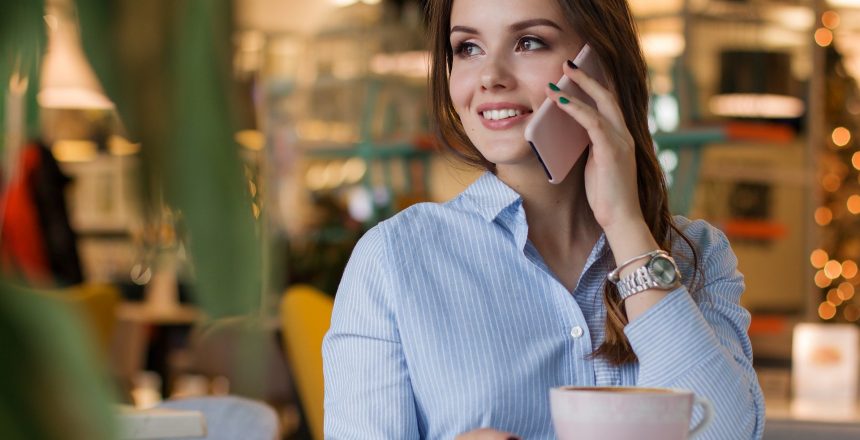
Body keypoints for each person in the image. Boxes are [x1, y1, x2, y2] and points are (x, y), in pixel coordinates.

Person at [323, 0, 766, 438]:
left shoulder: (695, 253)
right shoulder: (394, 259)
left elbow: (724, 433)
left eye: (529, 42)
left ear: (599, 66)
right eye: (468, 48)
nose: (491, 77)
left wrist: (626, 225)